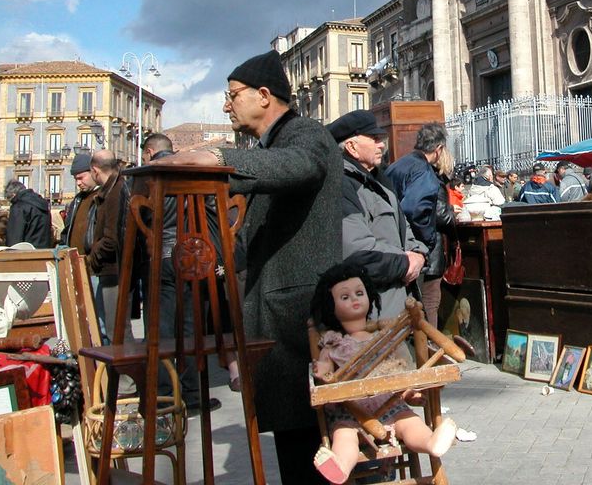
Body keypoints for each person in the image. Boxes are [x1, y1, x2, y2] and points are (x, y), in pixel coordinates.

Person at [160, 49, 342, 484]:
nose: (226, 105)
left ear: (264, 95)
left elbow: (300, 167)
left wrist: (221, 159)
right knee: (296, 451)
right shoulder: (270, 146)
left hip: (300, 325)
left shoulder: (305, 134)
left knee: (311, 454)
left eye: (232, 95)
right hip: (278, 326)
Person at [310, 262, 456, 484]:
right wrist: (321, 370)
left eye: (359, 293)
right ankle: (340, 466)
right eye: (345, 297)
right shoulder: (333, 342)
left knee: (410, 423)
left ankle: (431, 442)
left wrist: (409, 393)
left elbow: (399, 367)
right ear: (331, 306)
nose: (355, 299)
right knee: (344, 436)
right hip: (351, 413)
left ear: (370, 295)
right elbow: (327, 372)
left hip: (392, 403)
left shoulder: (384, 336)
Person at [140, 132, 224, 413]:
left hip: (160, 258)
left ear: (150, 152)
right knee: (191, 328)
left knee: (162, 329)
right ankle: (192, 394)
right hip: (190, 257)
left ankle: (163, 394)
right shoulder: (187, 173)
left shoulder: (147, 176)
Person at [331, 109, 428, 322]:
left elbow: (403, 227)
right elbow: (357, 251)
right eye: (374, 139)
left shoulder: (378, 179)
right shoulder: (342, 184)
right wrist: (405, 263)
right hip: (373, 313)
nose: (382, 144)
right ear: (352, 146)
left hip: (399, 303)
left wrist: (419, 253)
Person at [385, 123, 449, 328]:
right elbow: (414, 209)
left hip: (392, 241)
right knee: (424, 302)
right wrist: (426, 243)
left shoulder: (398, 164)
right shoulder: (423, 171)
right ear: (438, 150)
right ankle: (428, 353)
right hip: (412, 246)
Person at [87, 150, 134, 344]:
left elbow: (112, 238)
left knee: (117, 331)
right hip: (113, 268)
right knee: (116, 328)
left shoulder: (115, 191)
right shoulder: (114, 188)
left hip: (114, 269)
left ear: (95, 170)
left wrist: (92, 256)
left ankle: (125, 374)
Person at [61, 152, 97, 250]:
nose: (78, 183)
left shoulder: (103, 197)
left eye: (81, 178)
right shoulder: (77, 200)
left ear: (93, 172)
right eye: (75, 179)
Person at [4, 180, 52, 249]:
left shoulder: (19, 206)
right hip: (43, 251)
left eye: (10, 200)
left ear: (13, 194)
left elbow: (14, 238)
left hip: (25, 253)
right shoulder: (42, 204)